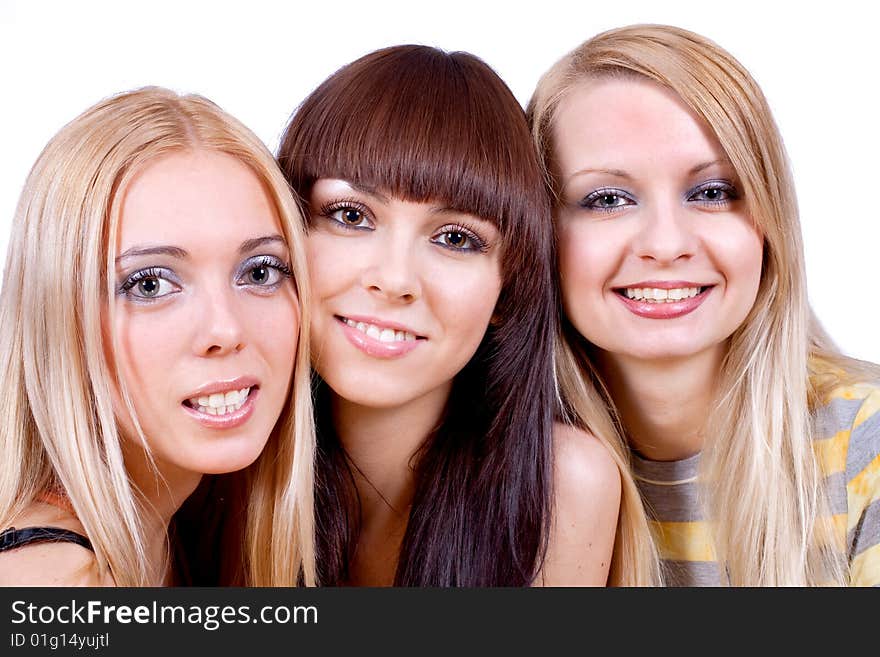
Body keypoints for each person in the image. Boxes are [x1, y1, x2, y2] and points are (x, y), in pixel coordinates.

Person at [527, 24, 880, 586]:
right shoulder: (509, 467)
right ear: (538, 231)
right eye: (608, 199)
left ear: (768, 222)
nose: (666, 245)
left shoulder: (868, 442)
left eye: (711, 192)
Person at [277, 45, 620, 586]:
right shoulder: (227, 456)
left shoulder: (560, 485)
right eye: (350, 215)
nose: (393, 280)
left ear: (508, 292)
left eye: (456, 238)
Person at [0, 87, 316, 586]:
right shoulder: (52, 580)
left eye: (259, 272)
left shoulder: (183, 533)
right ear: (59, 320)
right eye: (149, 284)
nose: (225, 330)